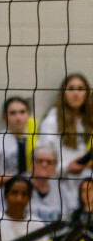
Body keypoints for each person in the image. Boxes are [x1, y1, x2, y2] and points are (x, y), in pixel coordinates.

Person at [39, 73, 93, 202]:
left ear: (87, 94)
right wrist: (66, 168)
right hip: (58, 186)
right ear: (63, 93)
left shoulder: (86, 121)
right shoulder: (51, 122)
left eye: (80, 89)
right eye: (71, 88)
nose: (76, 93)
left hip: (83, 188)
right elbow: (43, 162)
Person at [0, 96, 33, 188]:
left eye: (22, 112)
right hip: (3, 195)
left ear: (28, 114)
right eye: (13, 113)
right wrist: (14, 178)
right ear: (4, 116)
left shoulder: (38, 140)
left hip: (33, 195)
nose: (18, 117)